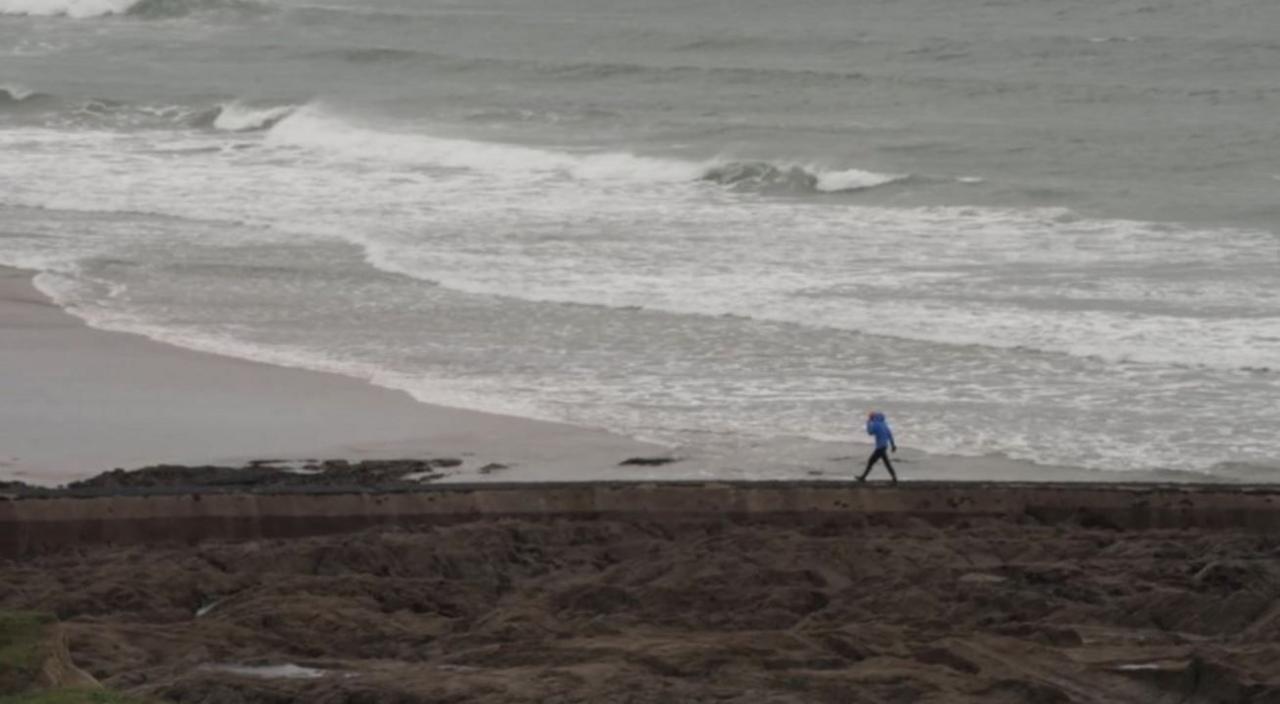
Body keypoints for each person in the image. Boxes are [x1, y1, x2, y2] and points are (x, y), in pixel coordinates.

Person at [858, 411, 898, 483]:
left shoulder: (876, 424)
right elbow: (890, 435)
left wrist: (868, 422)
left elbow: (870, 432)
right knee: (886, 462)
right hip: (884, 446)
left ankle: (863, 477)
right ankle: (894, 477)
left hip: (880, 447)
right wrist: (893, 445)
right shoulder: (885, 425)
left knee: (871, 461)